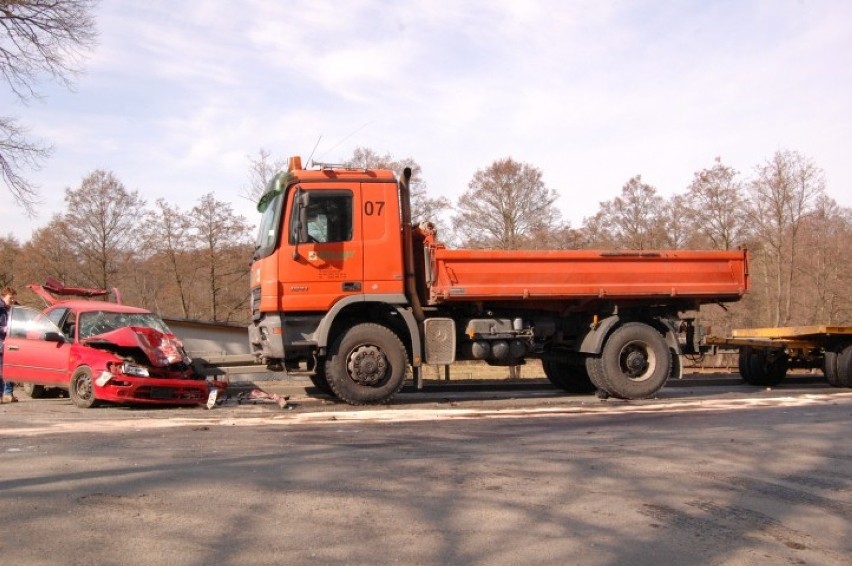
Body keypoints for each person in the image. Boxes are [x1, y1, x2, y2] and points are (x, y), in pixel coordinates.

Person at [0, 286, 18, 403]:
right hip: (1, 343)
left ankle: (8, 393)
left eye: (13, 299)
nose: (12, 301)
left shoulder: (12, 309)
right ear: (3, 296)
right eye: (10, 298)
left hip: (10, 343)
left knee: (10, 368)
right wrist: (4, 329)